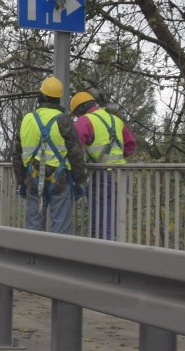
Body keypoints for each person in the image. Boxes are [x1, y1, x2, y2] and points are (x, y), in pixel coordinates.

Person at [13, 76, 87, 234]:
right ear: (58, 99)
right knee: (61, 229)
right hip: (59, 180)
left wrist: (21, 182)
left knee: (34, 227)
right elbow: (76, 154)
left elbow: (17, 154)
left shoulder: (27, 119)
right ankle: (60, 258)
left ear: (43, 96)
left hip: (32, 179)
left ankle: (33, 257)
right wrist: (80, 181)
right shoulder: (64, 120)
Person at [70, 91, 137, 240]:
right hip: (120, 176)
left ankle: (101, 258)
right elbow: (131, 145)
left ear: (80, 109)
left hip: (101, 177)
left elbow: (73, 148)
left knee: (100, 224)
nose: (76, 117)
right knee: (114, 220)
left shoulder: (84, 121)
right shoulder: (115, 120)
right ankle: (110, 254)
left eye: (76, 114)